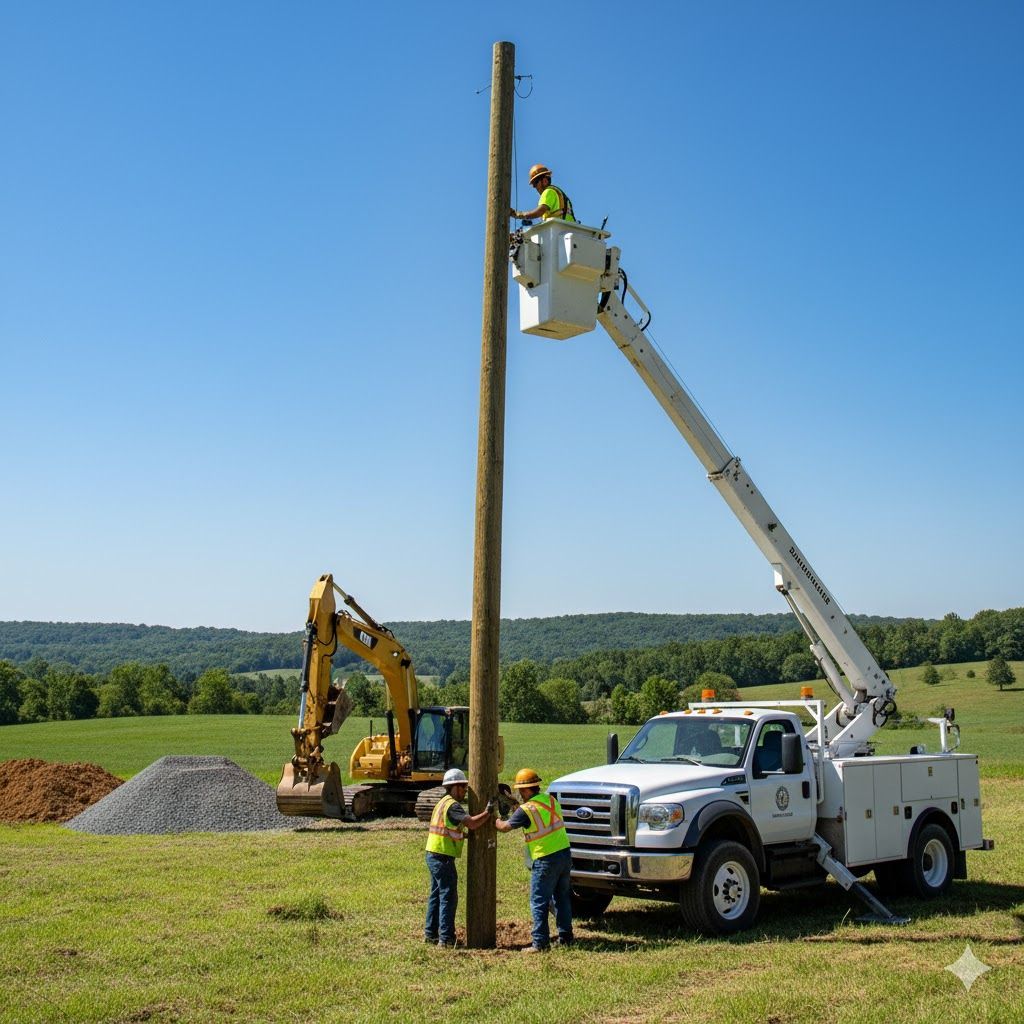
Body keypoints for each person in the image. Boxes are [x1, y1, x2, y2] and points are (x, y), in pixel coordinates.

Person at [494, 767, 574, 952]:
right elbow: (537, 816)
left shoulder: (526, 809)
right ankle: (566, 937)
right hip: (564, 855)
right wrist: (515, 805)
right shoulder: (550, 800)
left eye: (521, 791)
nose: (520, 794)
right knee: (562, 898)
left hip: (545, 858)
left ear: (525, 789)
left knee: (539, 900)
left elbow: (505, 826)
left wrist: (494, 820)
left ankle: (540, 943)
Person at [424, 768, 492, 948]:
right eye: (462, 787)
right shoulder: (453, 805)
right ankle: (445, 939)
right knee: (448, 896)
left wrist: (463, 836)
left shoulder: (442, 803)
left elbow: (448, 829)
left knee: (437, 895)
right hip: (442, 857)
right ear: (453, 787)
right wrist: (488, 812)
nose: (464, 791)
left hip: (433, 853)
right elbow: (472, 823)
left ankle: (431, 934)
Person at [510, 163, 576, 223]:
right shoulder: (556, 192)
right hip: (567, 229)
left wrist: (517, 214)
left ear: (544, 181)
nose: (534, 187)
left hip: (559, 230)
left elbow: (540, 211)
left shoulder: (548, 192)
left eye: (535, 183)